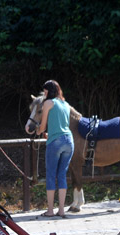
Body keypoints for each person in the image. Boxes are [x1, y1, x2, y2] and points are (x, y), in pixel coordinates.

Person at [36, 80, 74, 218]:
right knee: (62, 175)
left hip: (55, 142)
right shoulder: (66, 104)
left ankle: (50, 210)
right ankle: (62, 210)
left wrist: (39, 130)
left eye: (45, 90)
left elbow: (43, 126)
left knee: (51, 175)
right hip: (69, 141)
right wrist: (50, 134)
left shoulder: (48, 103)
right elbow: (62, 125)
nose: (44, 93)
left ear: (49, 91)